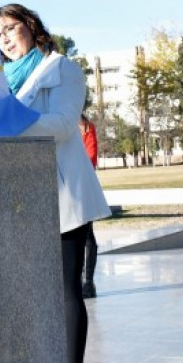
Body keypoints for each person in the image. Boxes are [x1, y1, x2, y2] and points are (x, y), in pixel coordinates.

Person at [0, 3, 111, 363]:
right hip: (17, 198)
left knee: (65, 292)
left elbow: (63, 124)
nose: (5, 37)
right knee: (22, 296)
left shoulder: (63, 69)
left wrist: (6, 121)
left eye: (11, 28)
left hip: (62, 195)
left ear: (31, 26)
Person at [79, 114, 100, 299]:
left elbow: (91, 158)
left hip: (82, 185)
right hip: (64, 185)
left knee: (86, 234)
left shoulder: (86, 127)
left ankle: (88, 282)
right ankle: (77, 280)